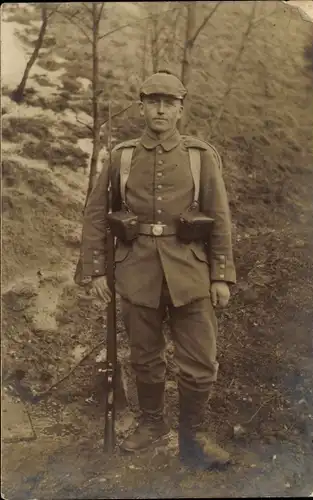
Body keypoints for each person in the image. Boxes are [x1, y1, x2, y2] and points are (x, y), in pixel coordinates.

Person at [75, 70, 236, 470]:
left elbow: (219, 217)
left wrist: (220, 275)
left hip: (191, 273)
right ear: (142, 107)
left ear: (180, 109)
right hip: (136, 272)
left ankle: (193, 437)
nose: (161, 109)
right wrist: (97, 272)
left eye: (169, 102)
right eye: (153, 101)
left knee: (200, 362)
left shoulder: (200, 157)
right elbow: (96, 215)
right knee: (145, 359)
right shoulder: (123, 156)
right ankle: (152, 424)